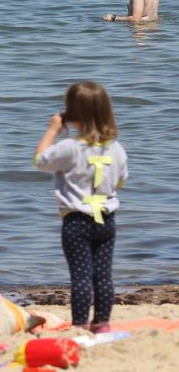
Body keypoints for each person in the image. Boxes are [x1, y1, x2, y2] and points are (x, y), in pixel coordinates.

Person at [33, 82, 127, 333]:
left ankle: (80, 325)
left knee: (81, 277)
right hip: (106, 220)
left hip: (77, 222)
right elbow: (121, 180)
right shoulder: (116, 148)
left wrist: (53, 130)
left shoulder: (68, 148)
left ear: (72, 114)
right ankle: (102, 324)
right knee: (103, 276)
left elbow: (40, 161)